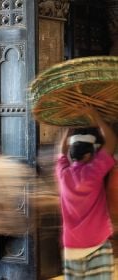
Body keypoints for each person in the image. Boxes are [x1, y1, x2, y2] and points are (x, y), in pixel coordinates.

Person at [55, 106, 117, 279]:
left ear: (72, 155)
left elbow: (60, 152)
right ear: (89, 155)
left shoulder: (63, 174)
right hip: (96, 244)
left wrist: (69, 127)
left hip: (70, 249)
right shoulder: (93, 172)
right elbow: (111, 141)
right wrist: (96, 116)